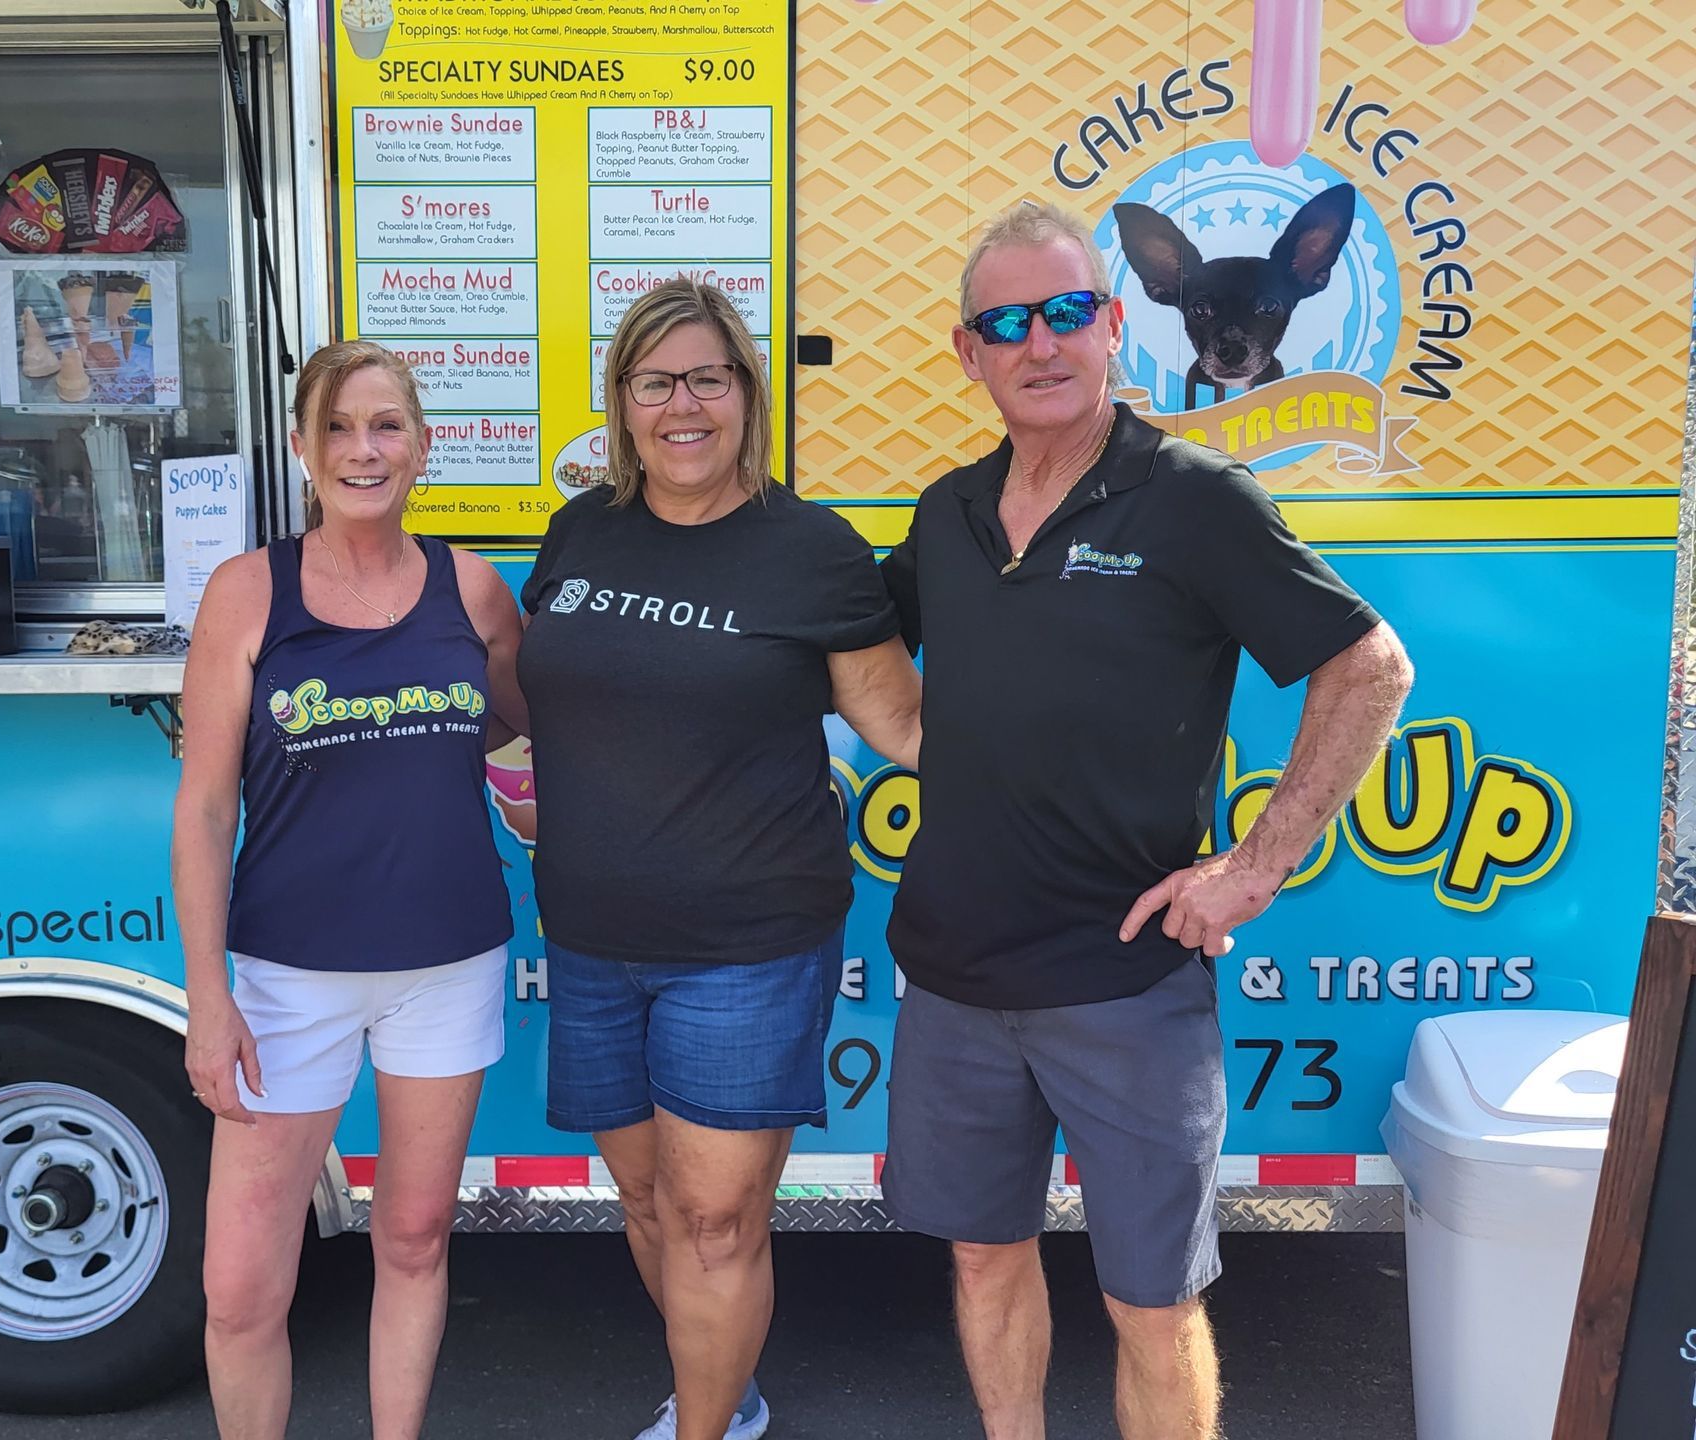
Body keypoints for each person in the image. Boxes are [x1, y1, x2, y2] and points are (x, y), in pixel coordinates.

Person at [878, 202, 1414, 1440]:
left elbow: (1368, 670)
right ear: (970, 354)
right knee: (981, 1261)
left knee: (1153, 1306)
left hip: (1127, 989)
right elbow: (862, 659)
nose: (1040, 343)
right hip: (952, 981)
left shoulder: (1192, 497)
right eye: (1006, 323)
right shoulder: (945, 516)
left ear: (1116, 324)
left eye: (1067, 311)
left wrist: (1251, 870)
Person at [518, 278, 922, 1440]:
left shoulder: (810, 550)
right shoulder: (580, 530)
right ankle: (725, 1398)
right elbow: (546, 695)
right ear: (623, 402)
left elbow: (905, 728)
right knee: (645, 1202)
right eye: (655, 382)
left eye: (707, 378)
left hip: (748, 941)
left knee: (715, 1220)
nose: (680, 405)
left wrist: (1074, 765)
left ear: (746, 393)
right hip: (590, 935)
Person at [172, 340, 527, 1440]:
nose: (362, 450)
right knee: (240, 1290)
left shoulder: (470, 584)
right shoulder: (248, 592)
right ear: (301, 446)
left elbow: (518, 723)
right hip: (288, 980)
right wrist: (207, 996)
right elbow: (204, 809)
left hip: (447, 965)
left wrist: (517, 784)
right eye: (337, 426)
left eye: (385, 426)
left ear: (423, 446)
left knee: (415, 1240)